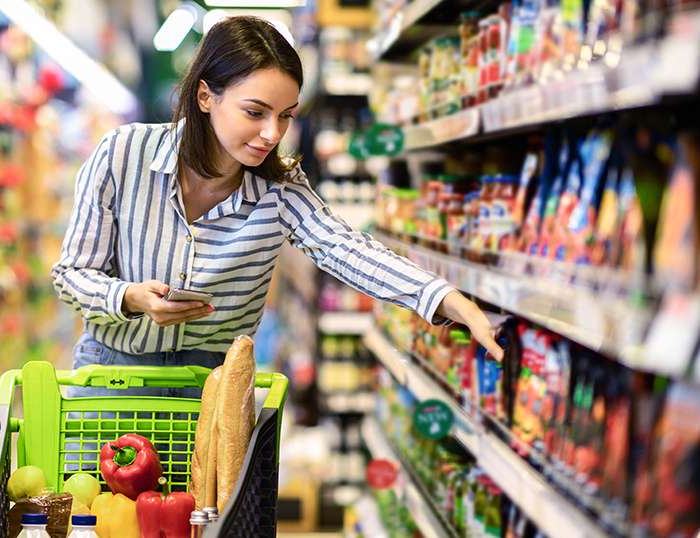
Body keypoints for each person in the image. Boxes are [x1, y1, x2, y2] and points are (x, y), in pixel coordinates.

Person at [51, 15, 502, 400]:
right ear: (206, 96)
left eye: (286, 115)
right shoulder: (122, 154)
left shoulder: (280, 187)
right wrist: (129, 297)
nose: (272, 133)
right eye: (255, 112)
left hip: (216, 388)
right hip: (112, 377)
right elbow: (71, 273)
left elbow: (348, 250)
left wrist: (446, 299)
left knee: (209, 507)